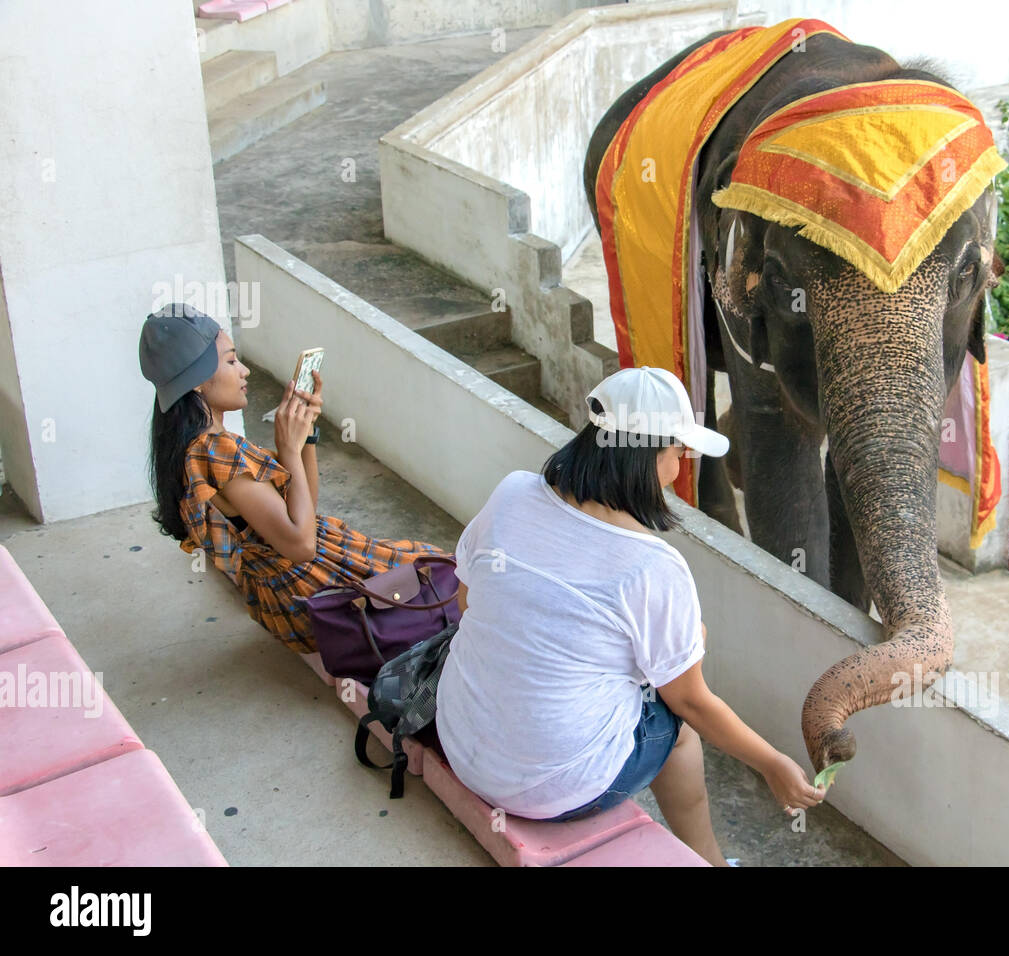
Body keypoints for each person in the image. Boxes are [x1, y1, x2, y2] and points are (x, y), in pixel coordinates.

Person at [434, 366, 825, 865]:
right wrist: (772, 763)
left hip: (461, 739)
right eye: (677, 450)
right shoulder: (652, 566)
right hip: (551, 788)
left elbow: (467, 602)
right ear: (646, 456)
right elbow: (693, 703)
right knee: (676, 727)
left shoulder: (512, 493)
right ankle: (705, 858)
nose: (680, 465)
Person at [139, 303, 447, 654]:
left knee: (431, 563)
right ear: (196, 381)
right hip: (313, 595)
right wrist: (287, 449)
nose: (245, 371)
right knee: (444, 571)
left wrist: (305, 438)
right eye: (230, 361)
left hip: (285, 598)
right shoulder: (215, 450)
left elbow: (303, 512)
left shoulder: (197, 447)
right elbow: (301, 547)